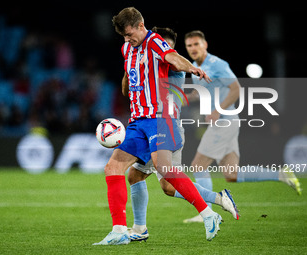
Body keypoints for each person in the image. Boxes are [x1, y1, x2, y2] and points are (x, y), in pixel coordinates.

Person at [93, 7, 222, 246]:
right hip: (137, 121)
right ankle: (120, 230)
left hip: (159, 119)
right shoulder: (126, 48)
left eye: (130, 34)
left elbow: (173, 57)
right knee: (112, 168)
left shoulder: (154, 42)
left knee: (165, 170)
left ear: (141, 26)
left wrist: (191, 67)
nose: (127, 39)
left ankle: (209, 214)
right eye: (123, 36)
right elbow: (129, 79)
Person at [174, 30, 302, 223]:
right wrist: (182, 99)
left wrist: (217, 109)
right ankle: (280, 174)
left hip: (224, 121)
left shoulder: (217, 64)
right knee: (231, 174)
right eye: (189, 45)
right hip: (227, 122)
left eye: (196, 44)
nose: (193, 48)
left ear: (205, 45)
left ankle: (207, 211)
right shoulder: (197, 68)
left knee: (198, 165)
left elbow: (235, 89)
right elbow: (204, 93)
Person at [126, 27, 239, 242]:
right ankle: (219, 198)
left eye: (165, 46)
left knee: (137, 175)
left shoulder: (171, 63)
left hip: (165, 128)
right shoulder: (149, 62)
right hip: (159, 126)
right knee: (168, 185)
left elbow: (165, 65)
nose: (161, 49)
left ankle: (140, 229)